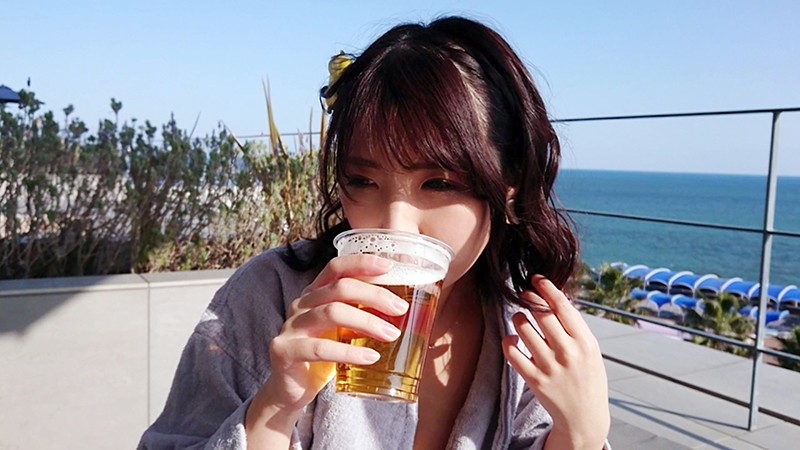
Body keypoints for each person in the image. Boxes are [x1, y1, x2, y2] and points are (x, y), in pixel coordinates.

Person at [139, 16, 610, 450]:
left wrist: (581, 434)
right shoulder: (266, 297)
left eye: (439, 183)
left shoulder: (529, 338)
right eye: (363, 181)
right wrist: (275, 408)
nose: (394, 226)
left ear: (509, 188)